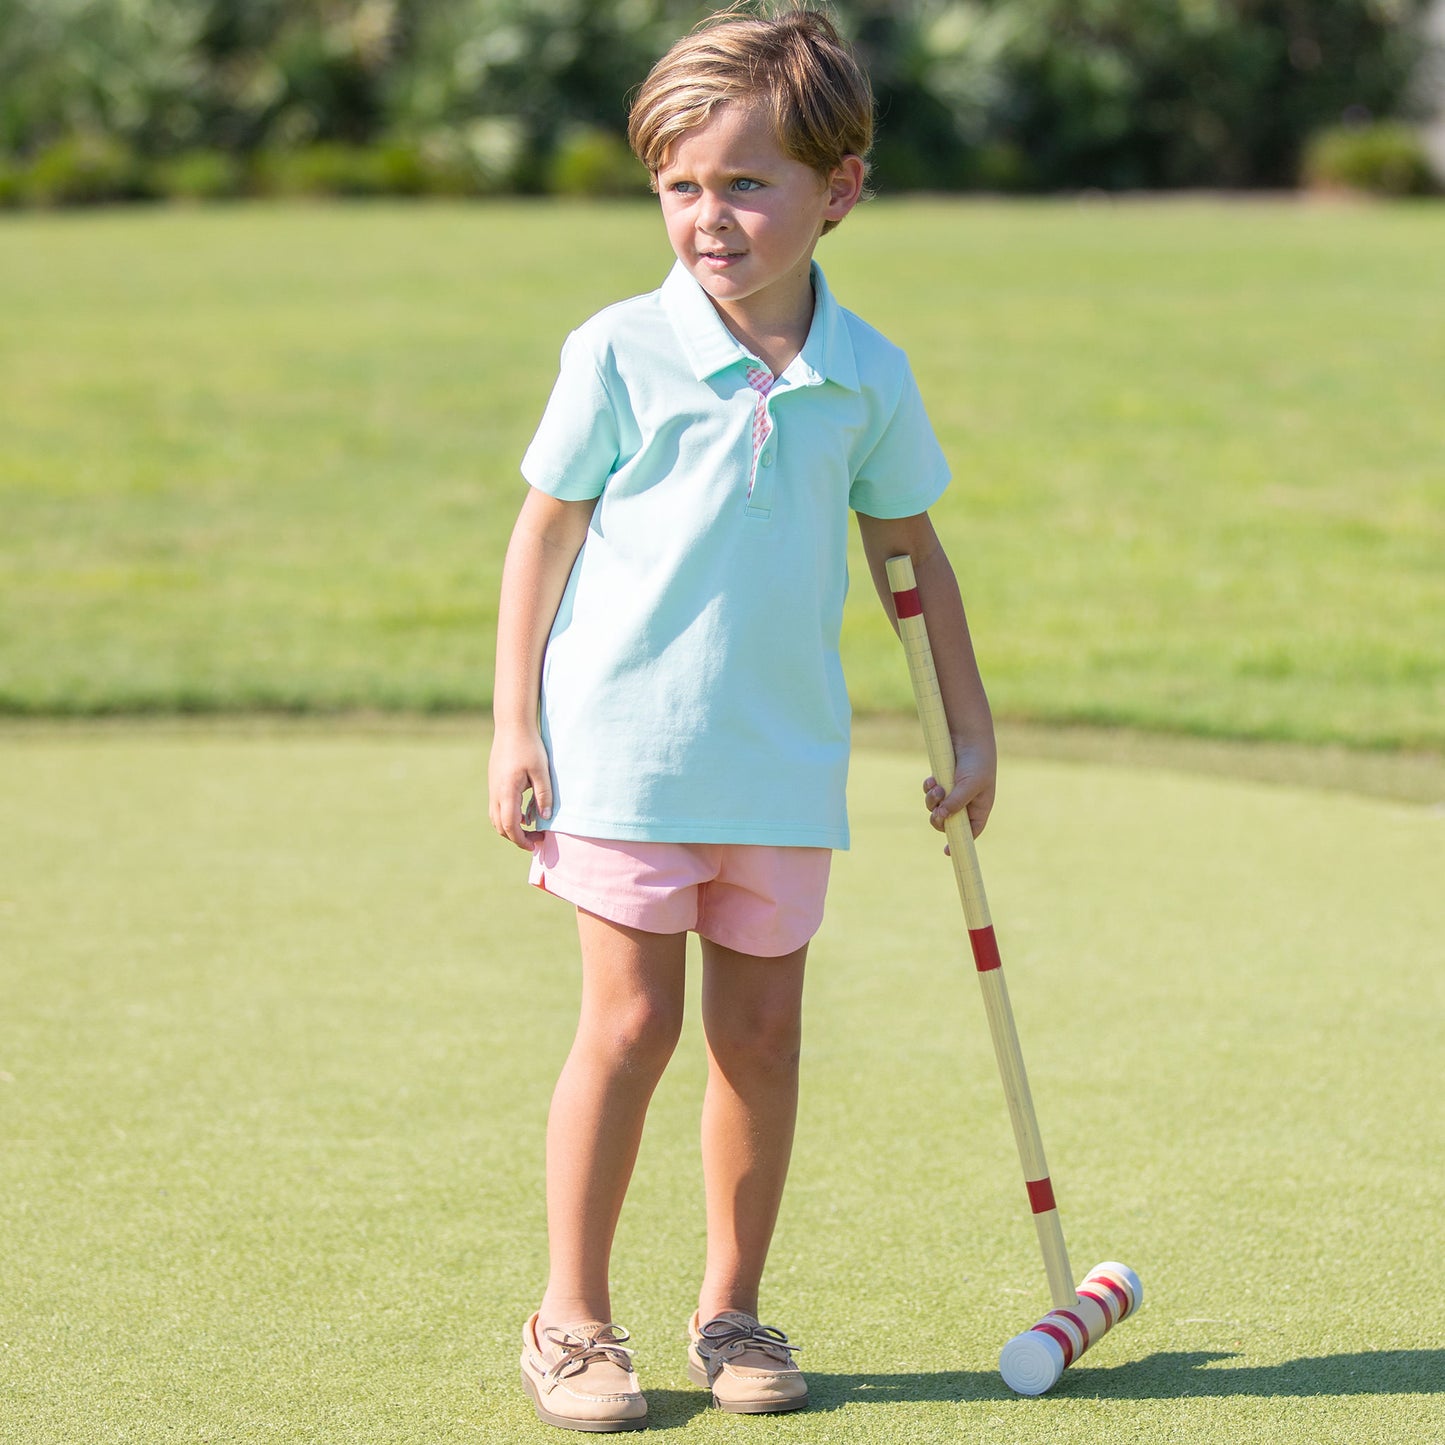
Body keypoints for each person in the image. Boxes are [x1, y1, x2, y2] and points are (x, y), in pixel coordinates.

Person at [488, 5, 995, 1432]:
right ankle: (571, 1317)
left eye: (745, 183)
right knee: (631, 1021)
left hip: (780, 763)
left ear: (838, 188)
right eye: (679, 187)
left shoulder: (862, 373)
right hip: (622, 754)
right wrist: (512, 726)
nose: (707, 218)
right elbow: (542, 535)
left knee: (758, 1041)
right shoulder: (616, 352)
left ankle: (731, 1305)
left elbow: (908, 557)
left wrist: (966, 725)